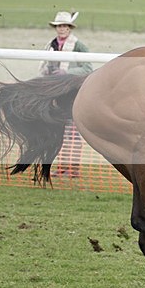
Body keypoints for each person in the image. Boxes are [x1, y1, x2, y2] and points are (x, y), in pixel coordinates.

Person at [38, 11, 92, 178]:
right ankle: (62, 167)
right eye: (59, 26)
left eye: (65, 26)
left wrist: (66, 71)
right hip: (55, 95)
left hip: (72, 95)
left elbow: (88, 68)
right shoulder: (51, 45)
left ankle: (73, 168)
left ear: (70, 28)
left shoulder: (79, 46)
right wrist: (47, 70)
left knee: (73, 133)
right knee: (60, 132)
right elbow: (43, 65)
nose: (62, 29)